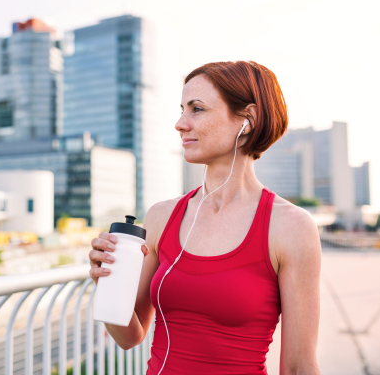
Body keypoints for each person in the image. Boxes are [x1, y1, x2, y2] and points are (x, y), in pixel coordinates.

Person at [89, 61, 321, 374]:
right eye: (182, 109)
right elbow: (130, 336)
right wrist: (106, 281)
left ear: (247, 120)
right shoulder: (161, 216)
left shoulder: (291, 227)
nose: (180, 123)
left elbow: (298, 367)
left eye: (196, 109)